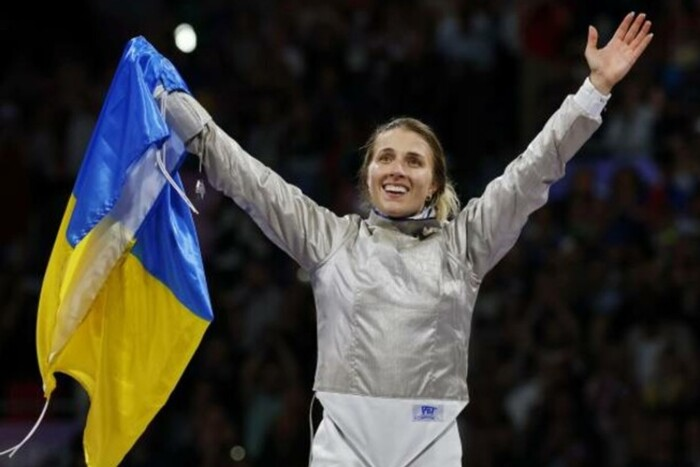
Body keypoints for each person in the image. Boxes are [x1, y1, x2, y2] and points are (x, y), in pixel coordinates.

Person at [157, 12, 653, 467]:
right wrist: (168, 102)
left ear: (434, 183)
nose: (397, 170)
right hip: (343, 449)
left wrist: (595, 90)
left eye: (414, 161)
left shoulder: (463, 247)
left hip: (430, 447)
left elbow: (532, 172)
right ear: (367, 173)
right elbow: (250, 182)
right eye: (385, 158)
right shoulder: (331, 239)